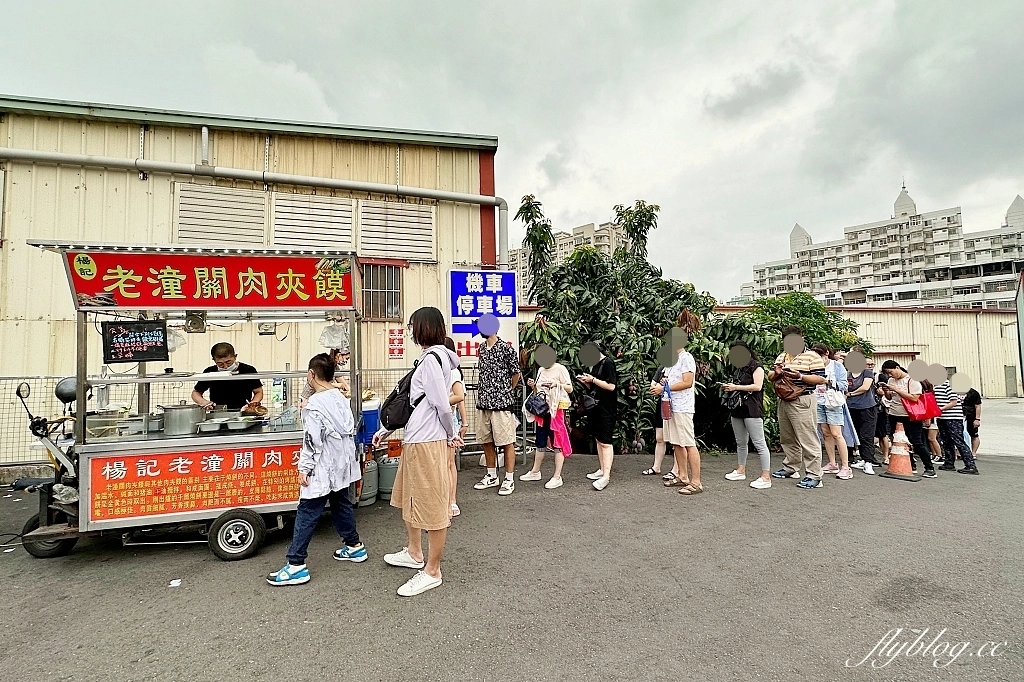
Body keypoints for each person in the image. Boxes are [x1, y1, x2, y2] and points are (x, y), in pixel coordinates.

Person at [373, 307, 462, 597]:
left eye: (412, 326)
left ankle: (432, 570)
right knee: (411, 498)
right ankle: (414, 552)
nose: (410, 331)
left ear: (423, 327)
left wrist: (450, 433)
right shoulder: (430, 359)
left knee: (432, 506)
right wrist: (387, 430)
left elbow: (442, 405)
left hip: (428, 441)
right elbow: (415, 405)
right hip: (418, 439)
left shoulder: (432, 360)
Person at [267, 353, 364, 586]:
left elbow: (312, 442)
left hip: (323, 466)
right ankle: (354, 546)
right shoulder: (341, 398)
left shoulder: (314, 406)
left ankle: (296, 564)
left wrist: (304, 468)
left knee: (307, 511)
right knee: (341, 503)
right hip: (342, 465)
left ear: (311, 374)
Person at [768, 326, 827, 489]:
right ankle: (791, 467)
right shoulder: (782, 355)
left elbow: (820, 379)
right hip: (784, 399)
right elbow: (770, 376)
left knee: (808, 438)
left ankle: (814, 475)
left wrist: (800, 376)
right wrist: (777, 372)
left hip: (803, 399)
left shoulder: (812, 356)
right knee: (787, 437)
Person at [472, 327, 522, 497]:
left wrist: (507, 390)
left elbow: (516, 373)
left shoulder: (506, 348)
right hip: (483, 403)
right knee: (486, 441)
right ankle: (492, 475)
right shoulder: (481, 348)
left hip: (501, 404)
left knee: (507, 441)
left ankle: (509, 478)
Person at [657, 324, 701, 495]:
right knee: (676, 443)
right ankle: (683, 476)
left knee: (689, 443)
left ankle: (696, 482)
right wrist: (664, 384)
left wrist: (664, 388)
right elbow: (670, 381)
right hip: (670, 406)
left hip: (682, 407)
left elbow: (687, 382)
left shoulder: (686, 358)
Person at [722, 341, 771, 490]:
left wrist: (736, 387)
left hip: (752, 409)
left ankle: (766, 476)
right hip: (738, 408)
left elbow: (757, 386)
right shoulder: (739, 368)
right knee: (741, 442)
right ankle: (740, 470)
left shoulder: (756, 366)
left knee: (759, 443)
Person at [520, 350, 573, 489]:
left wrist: (557, 384)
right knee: (540, 441)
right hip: (543, 410)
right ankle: (535, 471)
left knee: (557, 443)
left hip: (556, 411)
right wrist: (533, 386)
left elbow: (570, 389)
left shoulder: (560, 369)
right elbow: (538, 391)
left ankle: (557, 476)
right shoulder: (541, 370)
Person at [880, 361, 936, 478]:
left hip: (910, 415)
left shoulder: (912, 380)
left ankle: (929, 467)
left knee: (916, 441)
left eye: (891, 372)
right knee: (898, 440)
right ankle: (910, 464)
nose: (890, 375)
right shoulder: (891, 381)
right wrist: (886, 391)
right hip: (894, 413)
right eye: (887, 373)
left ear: (897, 367)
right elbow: (890, 397)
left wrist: (897, 390)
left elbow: (915, 398)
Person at [581, 344, 618, 491]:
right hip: (596, 407)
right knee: (599, 439)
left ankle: (606, 476)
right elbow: (596, 388)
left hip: (606, 409)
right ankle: (602, 469)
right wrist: (587, 382)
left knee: (605, 442)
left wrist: (593, 380)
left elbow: (611, 386)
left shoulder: (608, 363)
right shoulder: (597, 365)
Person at [813, 344, 852, 480]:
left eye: (819, 356)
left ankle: (846, 467)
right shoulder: (814, 366)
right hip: (818, 401)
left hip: (833, 402)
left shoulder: (837, 366)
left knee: (837, 434)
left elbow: (844, 385)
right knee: (825, 433)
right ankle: (832, 463)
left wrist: (828, 382)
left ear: (826, 353)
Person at [191, 342, 263, 411]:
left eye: (228, 362)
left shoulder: (248, 370)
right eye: (220, 363)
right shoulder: (210, 372)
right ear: (214, 360)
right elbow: (196, 393)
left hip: (243, 411)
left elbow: (258, 392)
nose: (225, 366)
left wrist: (252, 405)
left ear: (235, 356)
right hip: (218, 412)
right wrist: (204, 403)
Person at [444, 338, 469, 516]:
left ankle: (452, 501)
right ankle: (445, 500)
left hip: (449, 419)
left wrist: (464, 423)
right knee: (443, 463)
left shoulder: (453, 372)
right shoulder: (440, 370)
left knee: (449, 462)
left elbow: (460, 399)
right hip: (439, 421)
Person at [933, 379, 979, 474]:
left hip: (953, 417)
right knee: (946, 441)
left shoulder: (949, 385)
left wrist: (940, 409)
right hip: (942, 417)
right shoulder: (936, 386)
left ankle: (970, 465)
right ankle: (949, 463)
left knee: (958, 441)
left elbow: (954, 402)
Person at [642, 365, 678, 481]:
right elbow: (653, 387)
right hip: (663, 403)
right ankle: (656, 467)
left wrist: (666, 385)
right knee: (660, 437)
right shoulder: (662, 368)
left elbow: (685, 384)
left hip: (677, 404)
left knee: (676, 440)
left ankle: (676, 470)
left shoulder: (680, 367)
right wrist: (661, 386)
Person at [846, 356, 880, 475]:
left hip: (867, 407)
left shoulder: (867, 372)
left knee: (867, 435)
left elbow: (865, 387)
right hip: (851, 407)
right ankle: (863, 458)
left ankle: (868, 462)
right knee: (856, 435)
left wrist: (850, 394)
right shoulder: (848, 373)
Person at [961, 386, 983, 458]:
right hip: (959, 416)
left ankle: (973, 453)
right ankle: (960, 452)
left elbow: (978, 406)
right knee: (959, 435)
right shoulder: (954, 392)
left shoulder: (973, 393)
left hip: (971, 416)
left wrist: (977, 419)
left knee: (974, 435)